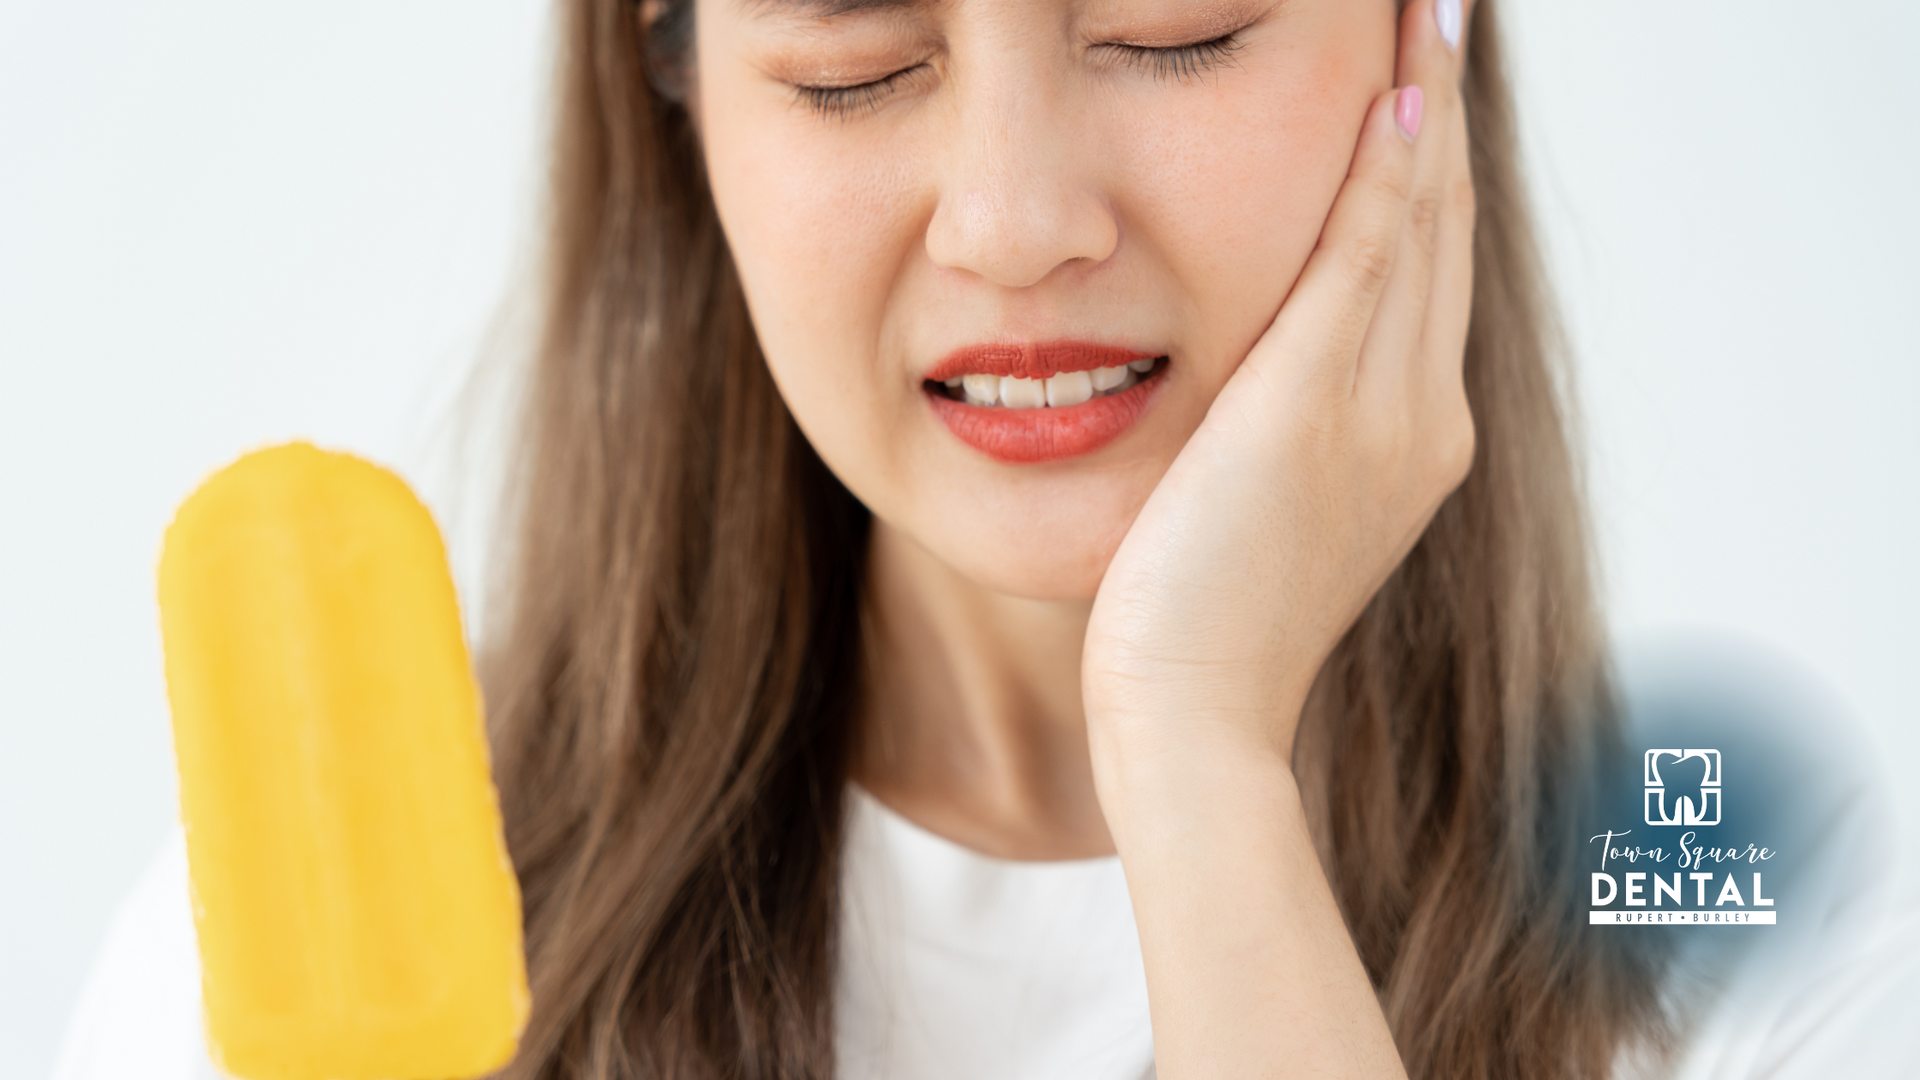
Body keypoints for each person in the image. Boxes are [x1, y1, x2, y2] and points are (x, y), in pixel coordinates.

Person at [52, 0, 1920, 1077]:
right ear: (680, 82)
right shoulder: (251, 979)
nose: (1015, 221)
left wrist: (1198, 745)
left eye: (1173, 22)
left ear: (1429, 32)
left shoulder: (1727, 926)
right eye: (857, 55)